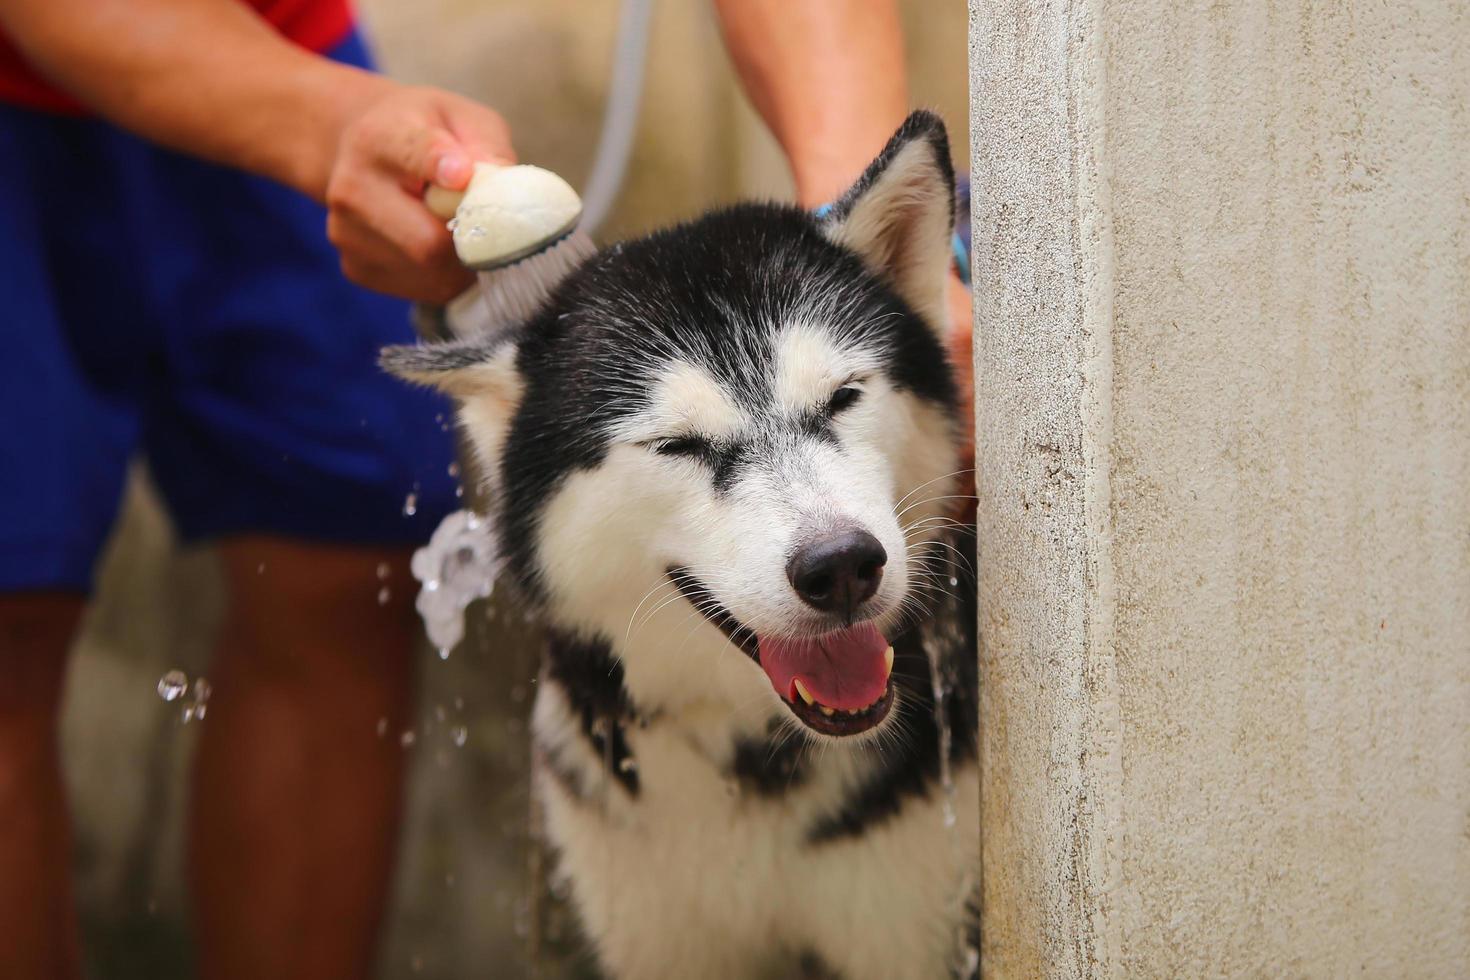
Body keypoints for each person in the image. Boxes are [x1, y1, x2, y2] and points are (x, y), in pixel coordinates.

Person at [0, 1, 969, 978]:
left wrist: (861, 222)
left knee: (339, 553)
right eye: (675, 442)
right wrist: (332, 125)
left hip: (282, 27)